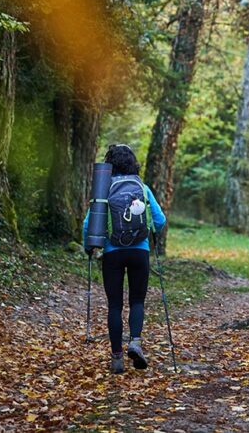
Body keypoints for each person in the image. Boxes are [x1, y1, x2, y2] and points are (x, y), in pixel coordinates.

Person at [82, 144, 166, 374]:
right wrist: (149, 232)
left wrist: (88, 247)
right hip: (140, 251)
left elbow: (88, 224)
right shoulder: (142, 187)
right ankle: (135, 342)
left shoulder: (105, 189)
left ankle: (116, 358)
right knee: (137, 301)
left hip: (112, 253)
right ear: (133, 163)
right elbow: (160, 220)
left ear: (110, 165)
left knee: (115, 306)